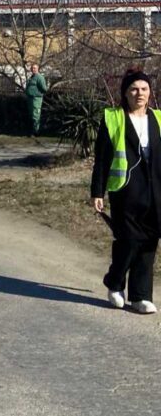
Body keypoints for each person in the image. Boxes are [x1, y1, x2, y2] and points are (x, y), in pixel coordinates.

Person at [92, 69, 161, 315]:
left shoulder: (158, 118)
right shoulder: (113, 118)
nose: (139, 93)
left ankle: (141, 295)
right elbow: (102, 159)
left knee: (149, 241)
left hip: (155, 190)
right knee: (129, 239)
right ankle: (115, 282)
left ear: (150, 92)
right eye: (134, 89)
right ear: (125, 93)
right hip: (125, 189)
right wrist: (97, 191)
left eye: (144, 89)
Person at [25, 63, 48, 136]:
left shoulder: (39, 77)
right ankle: (31, 131)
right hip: (30, 98)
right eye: (32, 68)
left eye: (34, 68)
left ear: (38, 69)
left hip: (36, 99)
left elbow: (44, 88)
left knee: (36, 115)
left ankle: (36, 132)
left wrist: (38, 92)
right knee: (31, 115)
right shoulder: (31, 77)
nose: (33, 69)